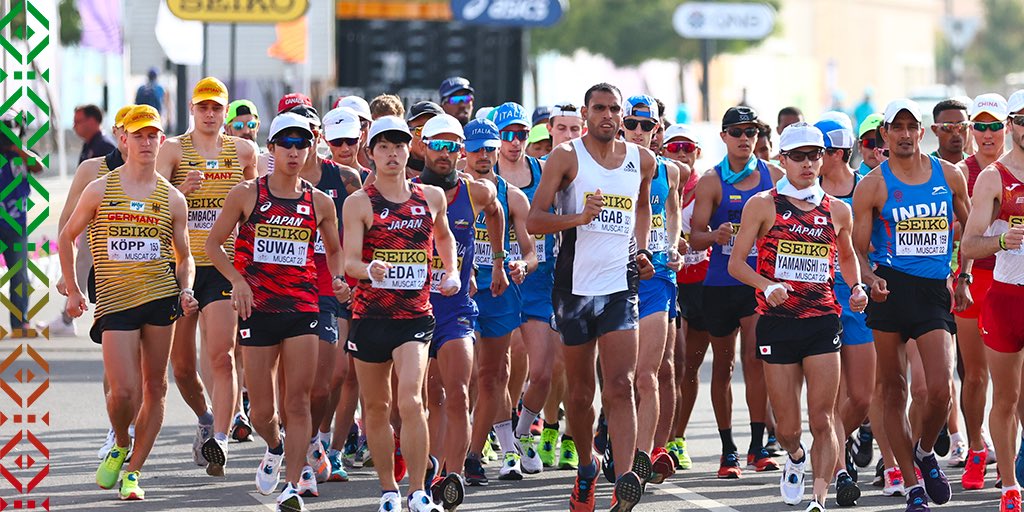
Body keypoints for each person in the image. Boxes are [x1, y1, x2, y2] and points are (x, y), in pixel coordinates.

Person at [206, 111, 350, 511]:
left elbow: (334, 248)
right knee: (266, 410)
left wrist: (337, 279)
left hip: (303, 306)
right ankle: (273, 446)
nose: (293, 150)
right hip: (260, 309)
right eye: (285, 143)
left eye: (301, 143)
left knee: (299, 401)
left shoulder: (319, 201)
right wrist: (237, 281)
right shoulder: (247, 193)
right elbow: (213, 244)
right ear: (271, 148)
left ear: (310, 149)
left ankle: (291, 484)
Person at [59, 104, 198, 500]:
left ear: (162, 140)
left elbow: (184, 255)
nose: (147, 142)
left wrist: (186, 289)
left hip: (160, 298)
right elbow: (67, 236)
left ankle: (134, 471)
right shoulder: (101, 187)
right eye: (138, 135)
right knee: (122, 392)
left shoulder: (172, 198)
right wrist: (72, 288)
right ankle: (121, 440)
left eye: (154, 135)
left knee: (155, 386)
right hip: (116, 301)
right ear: (124, 139)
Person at [528, 82, 655, 512]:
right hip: (574, 288)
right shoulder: (566, 157)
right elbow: (533, 219)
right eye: (599, 108)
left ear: (622, 114)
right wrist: (580, 217)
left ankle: (624, 482)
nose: (607, 115)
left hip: (620, 286)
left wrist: (640, 249)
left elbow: (642, 207)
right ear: (586, 112)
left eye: (614, 109)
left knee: (620, 385)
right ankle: (586, 468)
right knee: (580, 395)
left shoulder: (642, 159)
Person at [729, 122, 868, 512]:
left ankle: (819, 500)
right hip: (777, 322)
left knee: (823, 419)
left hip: (823, 321)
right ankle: (793, 458)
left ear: (824, 159)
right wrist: (765, 283)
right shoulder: (763, 204)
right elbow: (737, 264)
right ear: (782, 159)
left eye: (815, 155)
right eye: (799, 156)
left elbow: (847, 256)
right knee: (789, 428)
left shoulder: (838, 209)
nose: (808, 163)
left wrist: (856, 288)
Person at [851, 99, 970, 512]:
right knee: (892, 389)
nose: (903, 134)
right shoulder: (872, 185)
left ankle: (923, 453)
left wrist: (964, 275)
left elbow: (968, 228)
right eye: (895, 127)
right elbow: (857, 250)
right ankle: (912, 482)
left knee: (939, 389)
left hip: (934, 289)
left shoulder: (949, 175)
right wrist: (870, 278)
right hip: (891, 290)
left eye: (910, 127)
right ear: (884, 134)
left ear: (922, 132)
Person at [343, 115, 458, 512]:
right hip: (371, 317)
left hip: (415, 316)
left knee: (410, 400)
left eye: (399, 147)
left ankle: (419, 490)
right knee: (375, 407)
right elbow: (349, 262)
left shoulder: (431, 197)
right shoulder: (359, 202)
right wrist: (368, 270)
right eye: (384, 147)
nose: (393, 155)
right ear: (370, 154)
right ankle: (389, 491)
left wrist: (453, 271)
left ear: (412, 149)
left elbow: (443, 237)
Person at [155, 76, 258, 476]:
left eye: (217, 108)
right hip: (181, 266)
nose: (211, 114)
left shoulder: (244, 150)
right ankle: (206, 418)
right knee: (181, 367)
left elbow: (258, 202)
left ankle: (221, 438)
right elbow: (152, 201)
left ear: (225, 111)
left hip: (222, 267)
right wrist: (181, 187)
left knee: (222, 354)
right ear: (193, 110)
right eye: (204, 107)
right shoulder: (173, 149)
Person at [414, 114, 517, 510]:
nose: (444, 153)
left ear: (461, 150)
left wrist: (497, 261)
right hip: (415, 309)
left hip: (456, 308)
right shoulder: (407, 191)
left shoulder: (476, 192)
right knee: (423, 398)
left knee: (458, 392)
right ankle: (427, 464)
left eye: (451, 146)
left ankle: (450, 477)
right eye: (436, 144)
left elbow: (495, 211)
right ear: (422, 146)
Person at [689, 106, 783, 479]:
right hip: (719, 284)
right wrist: (715, 236)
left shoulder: (772, 176)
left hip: (756, 283)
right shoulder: (712, 181)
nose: (746, 138)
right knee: (724, 366)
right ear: (724, 137)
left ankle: (757, 447)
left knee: (755, 359)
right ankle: (727, 450)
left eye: (753, 132)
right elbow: (694, 235)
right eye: (738, 132)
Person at [462, 118, 537, 486]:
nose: (484, 156)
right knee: (456, 376)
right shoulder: (449, 191)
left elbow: (530, 251)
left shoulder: (513, 196)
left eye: (489, 149)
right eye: (476, 149)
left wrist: (523, 264)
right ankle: (446, 452)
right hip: (458, 290)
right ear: (464, 150)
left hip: (499, 291)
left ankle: (474, 455)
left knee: (494, 374)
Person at [960, 88, 1024, 512]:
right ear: (1013, 125)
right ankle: (1009, 487)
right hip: (1006, 297)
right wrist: (1001, 238)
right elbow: (968, 244)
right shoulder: (993, 177)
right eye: (1022, 119)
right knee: (1006, 398)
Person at [491, 101, 559, 478]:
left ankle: (520, 433)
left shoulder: (542, 170)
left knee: (544, 371)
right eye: (507, 136)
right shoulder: (488, 175)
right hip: (499, 281)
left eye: (521, 135)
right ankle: (505, 448)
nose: (515, 142)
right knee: (502, 366)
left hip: (538, 278)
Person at [621, 95, 685, 485]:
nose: (640, 132)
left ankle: (643, 458)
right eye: (634, 124)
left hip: (658, 277)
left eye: (648, 126)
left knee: (651, 373)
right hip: (612, 278)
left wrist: (674, 244)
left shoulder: (671, 171)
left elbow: (673, 211)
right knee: (619, 377)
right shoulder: (603, 168)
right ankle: (618, 443)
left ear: (658, 129)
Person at [814, 117, 872, 504]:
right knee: (829, 397)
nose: (811, 159)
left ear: (837, 153)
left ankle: (830, 443)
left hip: (855, 295)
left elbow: (870, 243)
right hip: (816, 297)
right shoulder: (802, 189)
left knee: (862, 396)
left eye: (819, 152)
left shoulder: (864, 186)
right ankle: (835, 468)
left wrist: (867, 281)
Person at [954, 93, 1009, 490]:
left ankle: (1013, 458)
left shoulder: (1018, 169)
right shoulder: (960, 171)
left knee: (1013, 382)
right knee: (974, 377)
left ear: (1008, 128)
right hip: (974, 278)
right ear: (970, 129)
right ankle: (976, 449)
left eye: (995, 126)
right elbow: (952, 234)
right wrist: (960, 276)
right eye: (980, 126)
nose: (987, 134)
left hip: (1012, 280)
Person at [47, 105, 132, 339]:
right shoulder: (95, 160)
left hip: (150, 280)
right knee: (118, 364)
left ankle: (66, 317)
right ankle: (67, 316)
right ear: (117, 132)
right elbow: (67, 217)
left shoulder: (157, 168)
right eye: (126, 130)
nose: (74, 127)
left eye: (139, 131)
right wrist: (68, 275)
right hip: (109, 270)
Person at [661, 124, 706, 472]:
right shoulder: (659, 182)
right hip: (668, 282)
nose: (680, 152)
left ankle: (678, 435)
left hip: (701, 284)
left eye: (686, 147)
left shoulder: (706, 187)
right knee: (669, 364)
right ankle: (661, 436)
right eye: (674, 147)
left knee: (688, 367)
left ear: (697, 152)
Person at [0, 115, 41, 336]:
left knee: (19, 274)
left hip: (16, 225)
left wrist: (17, 149)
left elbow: (38, 167)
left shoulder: (23, 153)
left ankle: (20, 322)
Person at [406, 101, 445, 179]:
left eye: (435, 130)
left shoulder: (461, 181)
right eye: (421, 130)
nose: (427, 137)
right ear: (408, 133)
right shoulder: (390, 175)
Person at [929, 99, 969, 165]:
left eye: (962, 126)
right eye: (948, 127)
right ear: (935, 129)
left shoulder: (978, 166)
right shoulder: (926, 167)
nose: (956, 133)